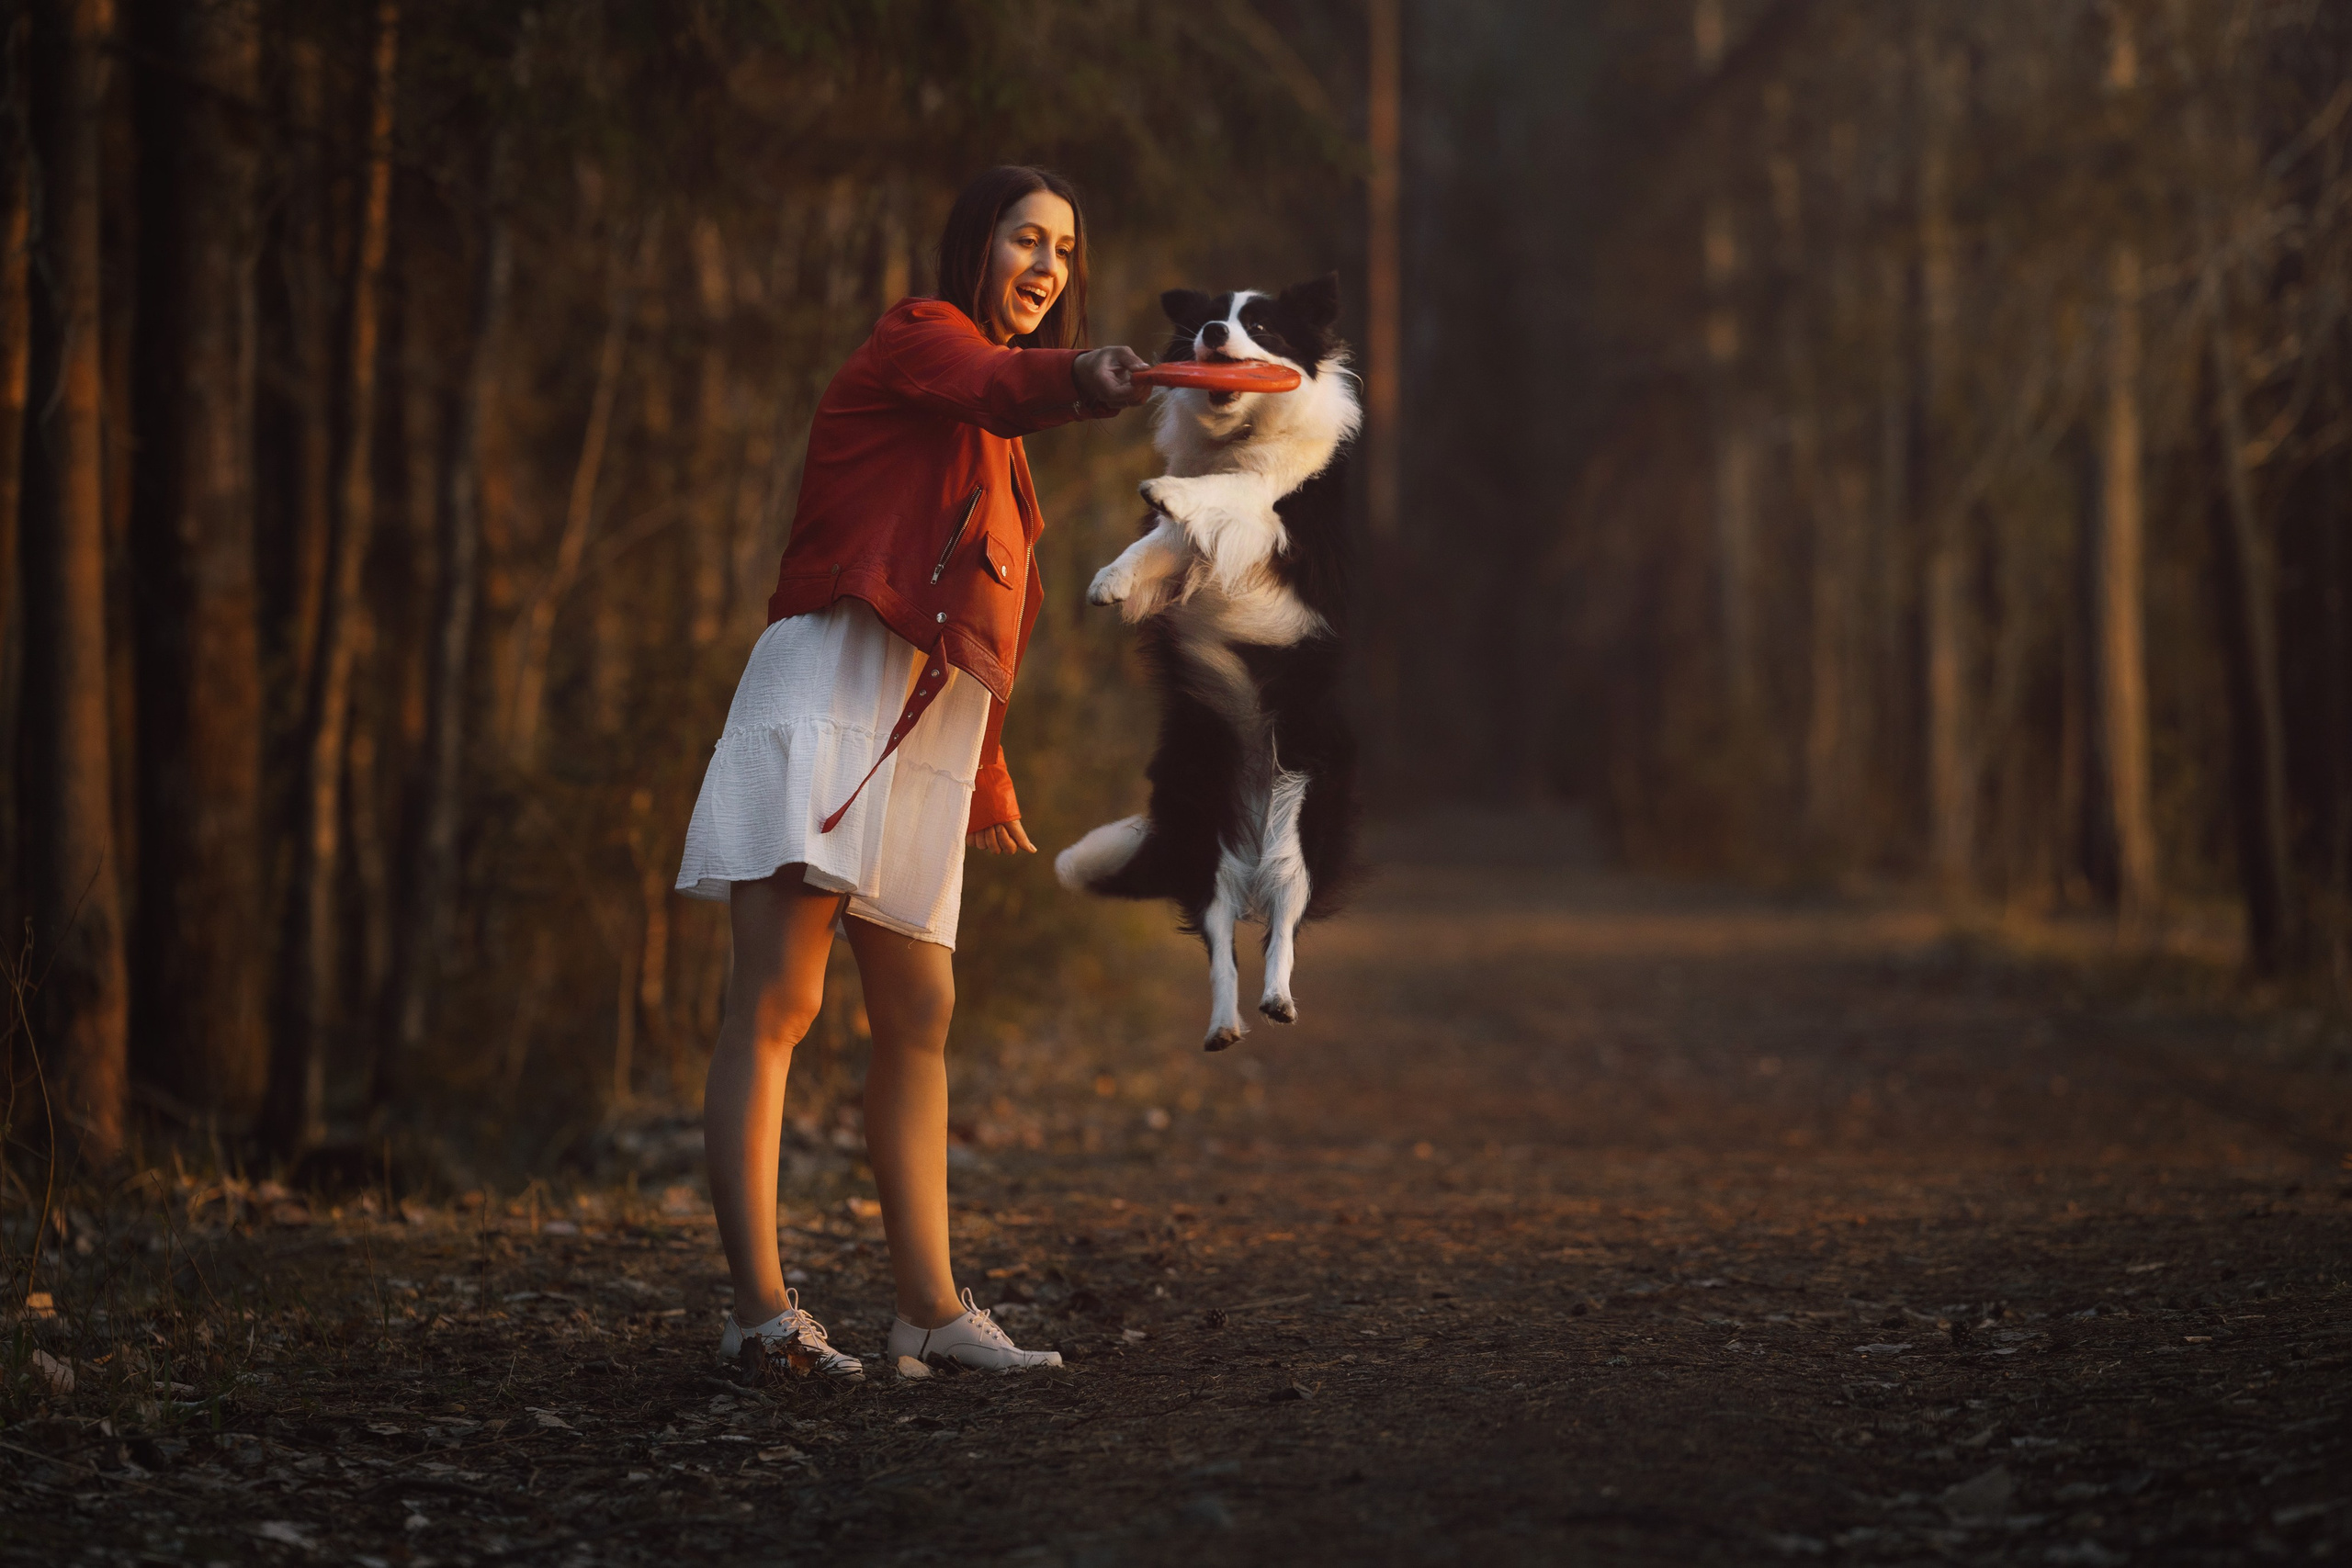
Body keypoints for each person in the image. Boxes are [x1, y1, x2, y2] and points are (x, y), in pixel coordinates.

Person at [673, 166, 1150, 1379]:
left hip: (924, 726)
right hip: (835, 673)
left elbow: (979, 622)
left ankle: (928, 1310)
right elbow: (993, 380)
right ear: (973, 249)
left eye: (1062, 249)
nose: (1045, 266)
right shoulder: (921, 341)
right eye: (1023, 240)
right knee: (778, 1002)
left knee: (921, 1014)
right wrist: (1081, 383)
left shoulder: (1005, 457)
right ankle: (758, 1316)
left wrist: (985, 773)